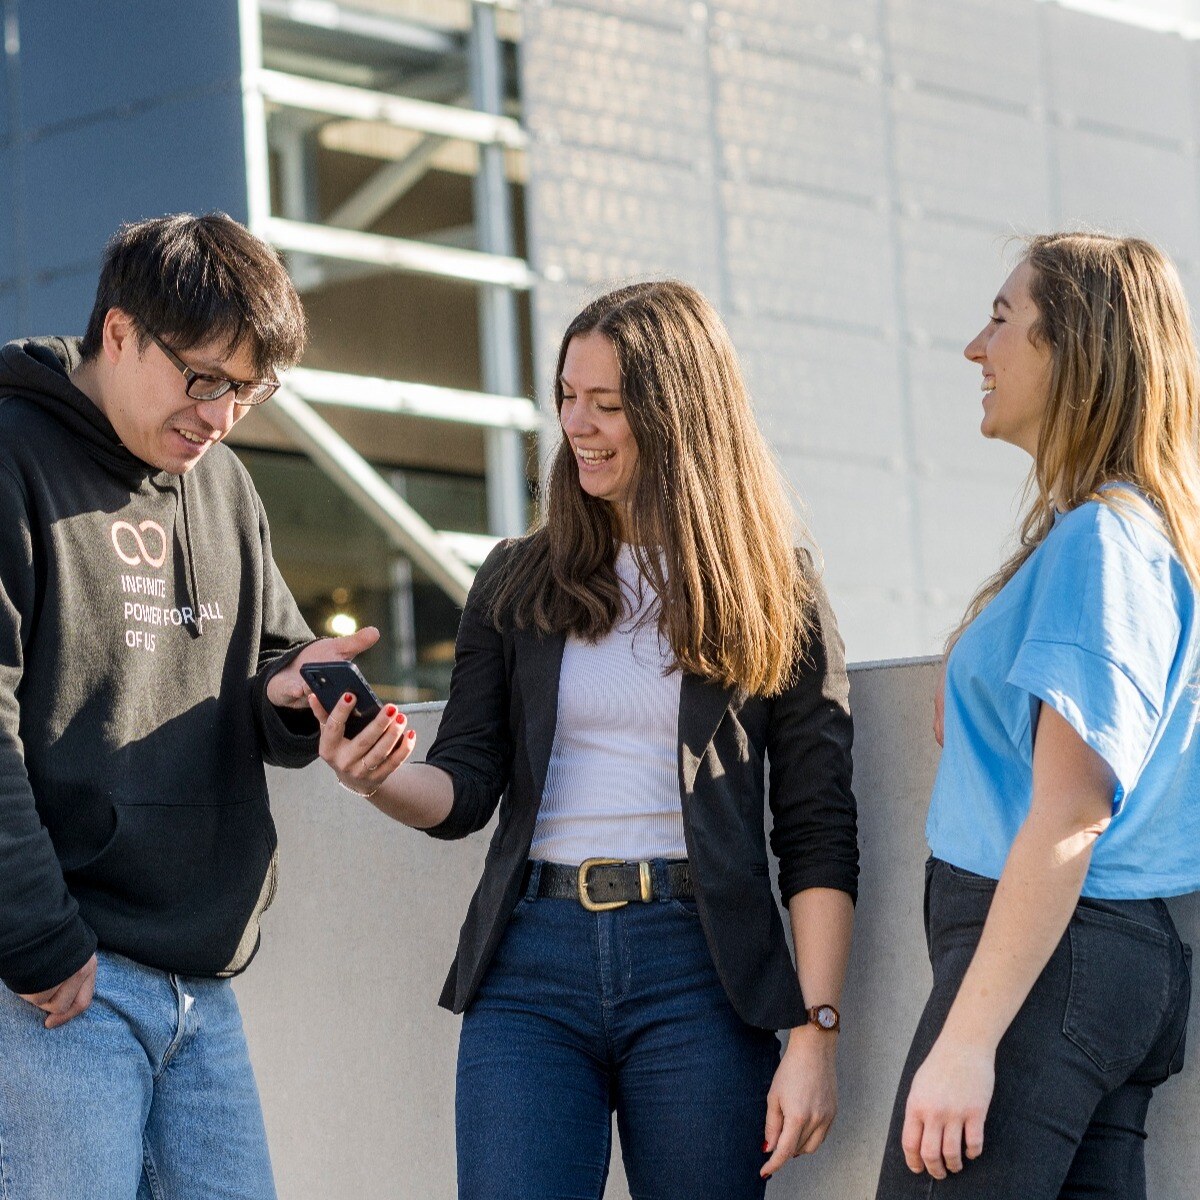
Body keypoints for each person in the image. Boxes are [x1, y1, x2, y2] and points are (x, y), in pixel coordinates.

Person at [311, 280, 859, 1199]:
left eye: (608, 404)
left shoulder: (776, 590)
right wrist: (378, 776)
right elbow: (465, 787)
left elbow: (815, 832)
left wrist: (816, 1034)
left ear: (679, 413)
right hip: (530, 967)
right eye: (568, 397)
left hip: (702, 972)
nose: (579, 424)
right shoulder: (518, 578)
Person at [0, 212, 377, 1200]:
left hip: (204, 986)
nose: (221, 417)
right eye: (205, 379)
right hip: (54, 986)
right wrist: (38, 941)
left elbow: (262, 661)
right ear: (118, 332)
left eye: (248, 392)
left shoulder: (224, 488)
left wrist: (297, 692)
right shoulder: (9, 457)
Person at [876, 233, 1199, 1199]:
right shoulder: (1132, 536)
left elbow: (1070, 811)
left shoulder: (1105, 540)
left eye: (1005, 320)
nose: (978, 348)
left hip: (1043, 967)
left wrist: (969, 1044)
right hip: (1102, 966)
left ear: (1076, 350)